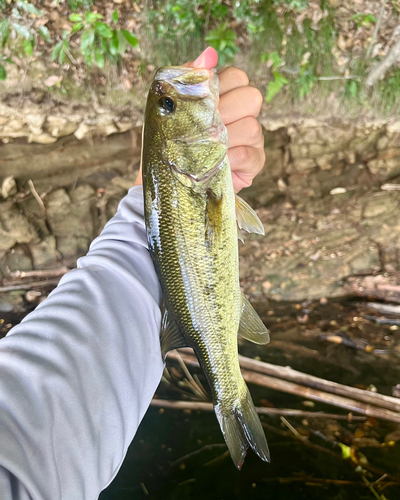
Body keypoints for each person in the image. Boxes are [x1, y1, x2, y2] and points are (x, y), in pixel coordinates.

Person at [0, 48, 265, 500]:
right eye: (168, 107)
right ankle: (230, 393)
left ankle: (229, 392)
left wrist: (145, 215)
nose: (171, 100)